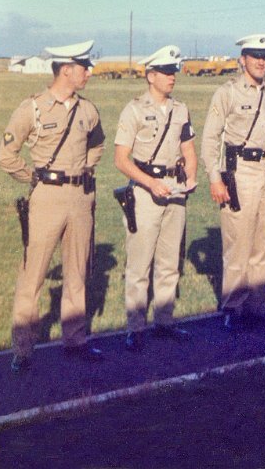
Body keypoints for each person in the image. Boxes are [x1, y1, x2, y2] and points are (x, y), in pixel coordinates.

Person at [0, 40, 105, 372]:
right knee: (33, 275)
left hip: (80, 196)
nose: (88, 72)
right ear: (65, 69)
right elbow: (5, 156)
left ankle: (74, 340)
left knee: (77, 272)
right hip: (46, 197)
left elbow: (97, 145)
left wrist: (81, 172)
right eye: (84, 67)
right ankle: (23, 349)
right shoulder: (33, 108)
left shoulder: (88, 110)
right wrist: (34, 177)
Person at [201, 34, 265, 330]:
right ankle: (233, 308)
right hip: (239, 172)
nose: (261, 61)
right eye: (254, 55)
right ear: (242, 59)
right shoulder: (227, 93)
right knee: (238, 244)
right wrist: (215, 179)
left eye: (264, 56)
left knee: (263, 243)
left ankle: (256, 306)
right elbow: (210, 139)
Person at [114, 45, 198, 352]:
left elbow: (188, 149)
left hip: (175, 191)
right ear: (150, 76)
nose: (171, 77)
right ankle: (135, 327)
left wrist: (190, 177)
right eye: (165, 72)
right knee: (140, 264)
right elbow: (121, 160)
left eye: (174, 71)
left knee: (169, 262)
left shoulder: (181, 109)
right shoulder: (133, 110)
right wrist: (151, 184)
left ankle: (164, 321)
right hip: (145, 192)